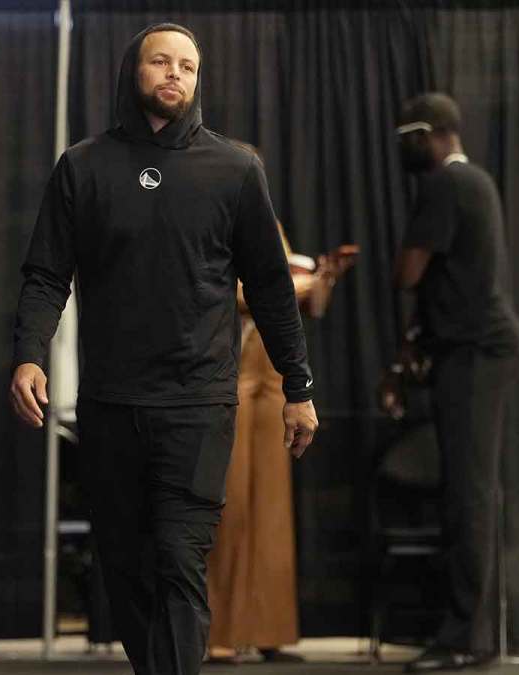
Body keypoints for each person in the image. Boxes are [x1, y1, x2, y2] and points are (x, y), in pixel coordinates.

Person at [9, 23, 319, 675]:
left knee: (180, 555)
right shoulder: (84, 166)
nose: (175, 73)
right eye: (161, 61)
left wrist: (299, 385)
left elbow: (270, 286)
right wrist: (30, 353)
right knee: (126, 566)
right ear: (134, 70)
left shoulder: (235, 169)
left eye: (187, 65)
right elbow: (45, 274)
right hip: (110, 402)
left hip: (198, 402)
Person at [205, 144, 356, 665]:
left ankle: (266, 629)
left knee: (270, 512)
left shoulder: (270, 224)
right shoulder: (212, 219)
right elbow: (235, 293)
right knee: (228, 510)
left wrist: (325, 279)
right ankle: (216, 631)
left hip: (272, 383)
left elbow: (306, 305)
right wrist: (301, 284)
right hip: (232, 378)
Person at [392, 93, 519, 672]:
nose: (402, 145)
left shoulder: (447, 185)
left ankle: (467, 636)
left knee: (468, 494)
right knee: (471, 490)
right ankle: (472, 630)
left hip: (474, 353)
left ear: (436, 132)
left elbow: (408, 270)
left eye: (409, 134)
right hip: (472, 349)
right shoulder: (476, 183)